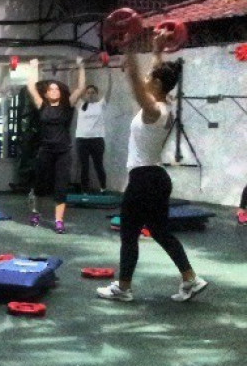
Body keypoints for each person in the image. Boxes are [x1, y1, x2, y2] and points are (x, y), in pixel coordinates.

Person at [97, 32, 208, 303]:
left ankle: (123, 288)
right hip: (157, 178)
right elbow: (153, 78)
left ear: (157, 84)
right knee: (160, 232)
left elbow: (136, 81)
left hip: (144, 179)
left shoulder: (153, 110)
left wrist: (129, 49)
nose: (148, 77)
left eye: (152, 77)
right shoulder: (165, 106)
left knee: (129, 234)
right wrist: (157, 50)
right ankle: (191, 278)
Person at [26, 57, 85, 233]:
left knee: (61, 187)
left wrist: (81, 66)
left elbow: (81, 88)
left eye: (56, 88)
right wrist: (33, 67)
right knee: (39, 186)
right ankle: (35, 212)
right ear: (46, 94)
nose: (54, 91)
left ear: (60, 92)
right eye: (50, 89)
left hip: (63, 153)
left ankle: (59, 221)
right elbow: (31, 87)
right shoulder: (42, 105)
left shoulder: (68, 106)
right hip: (45, 151)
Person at [75, 73, 112, 193]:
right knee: (84, 167)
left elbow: (109, 89)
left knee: (98, 165)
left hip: (97, 140)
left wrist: (109, 73)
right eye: (88, 92)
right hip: (82, 140)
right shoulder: (80, 105)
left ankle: (103, 188)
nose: (90, 94)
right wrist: (73, 72)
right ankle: (85, 191)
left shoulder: (100, 104)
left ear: (97, 94)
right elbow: (74, 91)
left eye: (93, 92)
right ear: (85, 94)